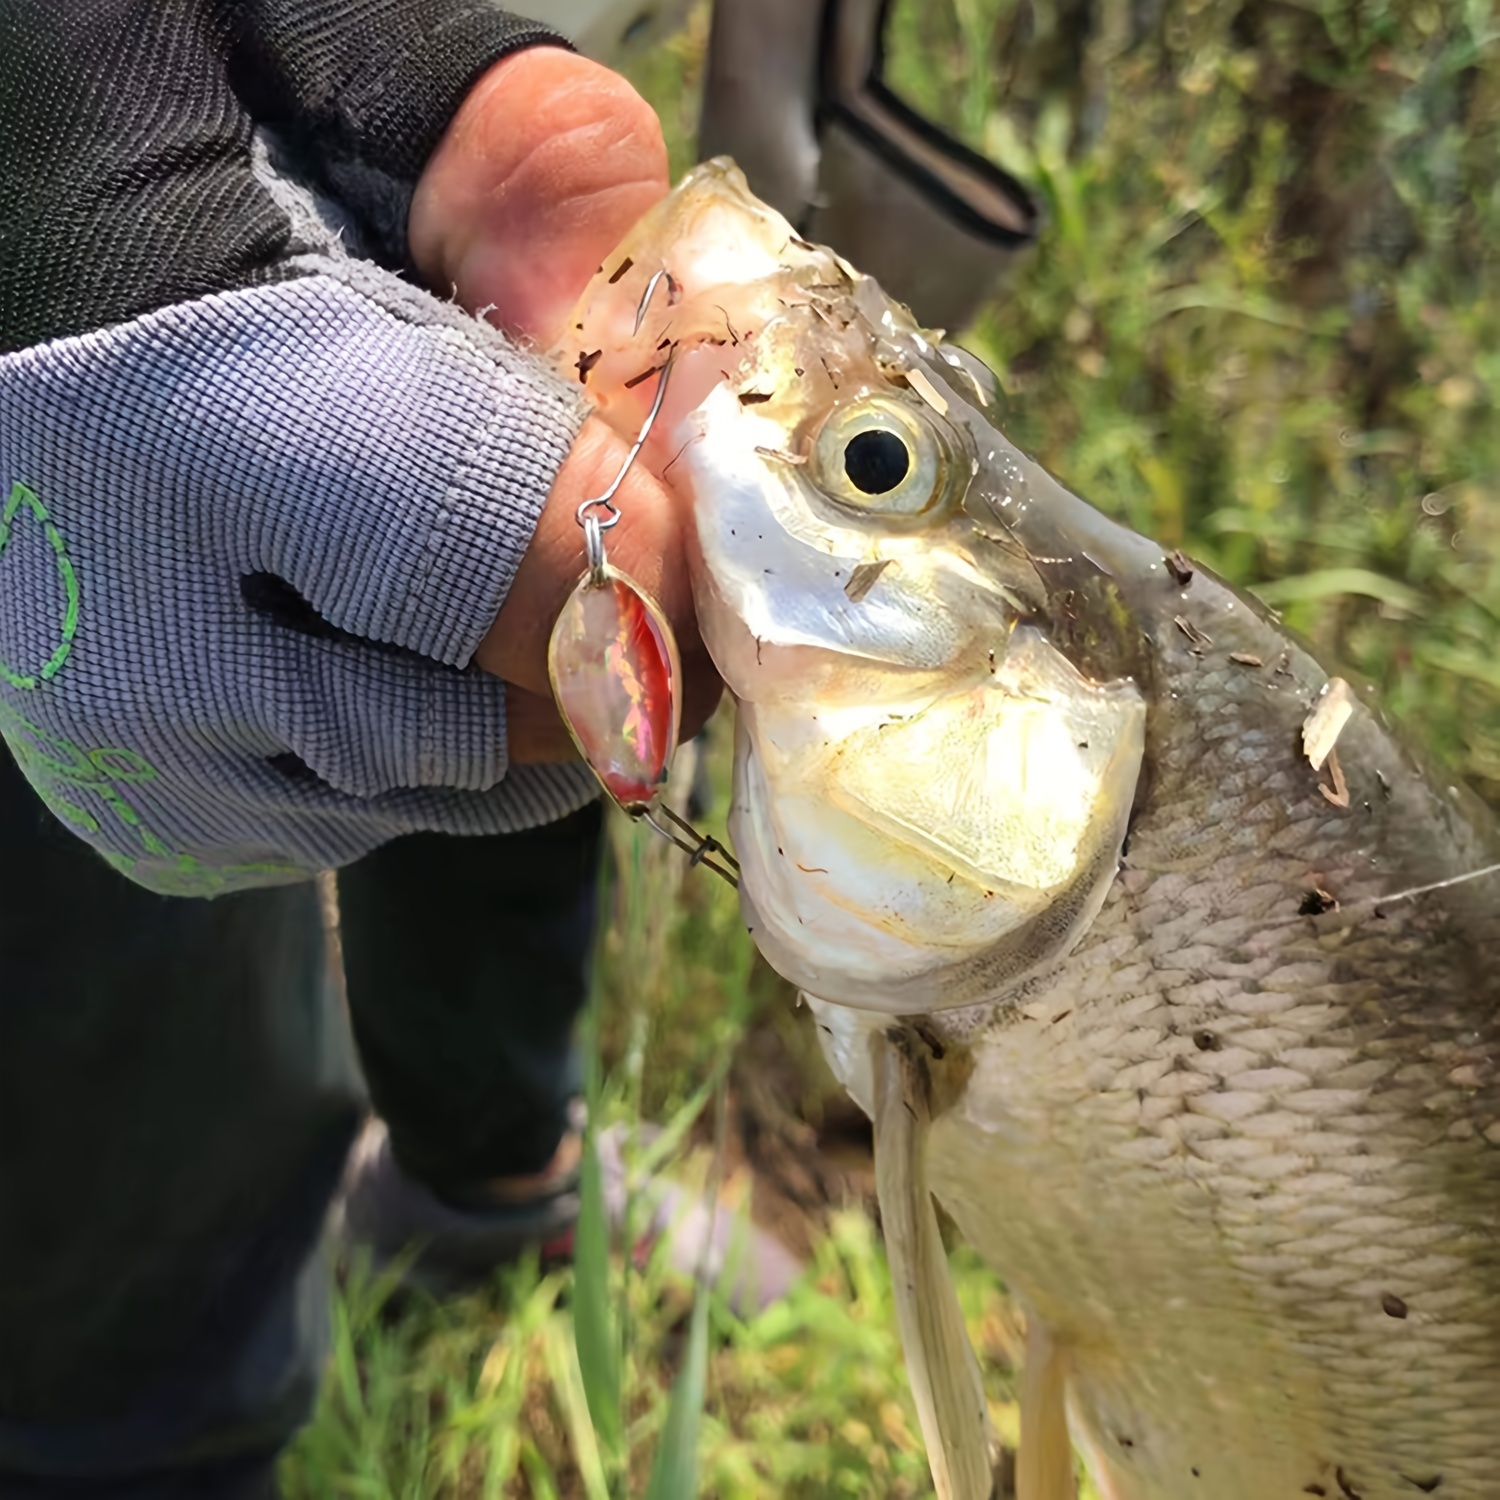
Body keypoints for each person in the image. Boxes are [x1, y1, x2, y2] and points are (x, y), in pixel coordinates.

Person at [0, 4, 730, 1496]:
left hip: (496, 67)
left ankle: (490, 1168)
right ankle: (142, 1435)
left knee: (522, 630)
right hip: (134, 143)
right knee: (146, 870)